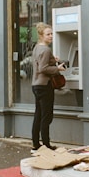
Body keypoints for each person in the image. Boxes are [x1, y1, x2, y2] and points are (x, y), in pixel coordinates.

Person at [31, 22, 66, 153]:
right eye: (48, 34)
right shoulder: (46, 49)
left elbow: (40, 62)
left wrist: (53, 60)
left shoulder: (37, 48)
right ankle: (46, 144)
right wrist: (57, 68)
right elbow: (43, 68)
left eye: (51, 34)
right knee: (46, 116)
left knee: (38, 115)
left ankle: (36, 143)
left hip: (36, 85)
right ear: (41, 35)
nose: (51, 36)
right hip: (45, 86)